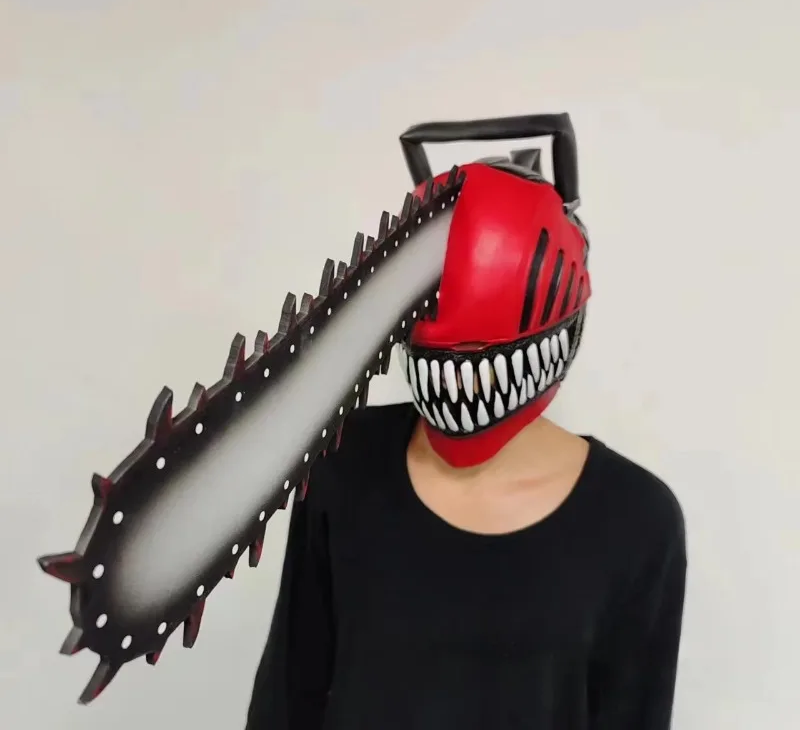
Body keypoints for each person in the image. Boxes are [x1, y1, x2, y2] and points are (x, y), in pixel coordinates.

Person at [245, 119, 687, 729]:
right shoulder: (343, 461)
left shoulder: (637, 518)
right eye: (443, 354)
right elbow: (289, 695)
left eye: (482, 353)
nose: (463, 384)